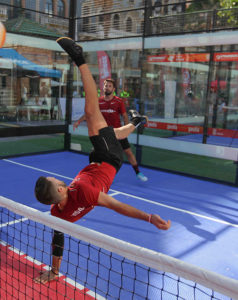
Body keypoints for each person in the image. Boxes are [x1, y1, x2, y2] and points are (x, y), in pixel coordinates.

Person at [34, 37, 171, 284]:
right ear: (61, 189)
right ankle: (79, 57)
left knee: (114, 133)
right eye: (54, 180)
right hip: (108, 159)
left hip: (99, 160)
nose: (55, 177)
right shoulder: (84, 191)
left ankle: (137, 122)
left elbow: (58, 241)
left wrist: (54, 272)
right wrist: (149, 218)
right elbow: (116, 206)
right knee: (91, 112)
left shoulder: (57, 213)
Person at [74, 78, 148, 182]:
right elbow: (89, 113)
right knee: (96, 154)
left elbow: (124, 115)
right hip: (104, 133)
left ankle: (138, 172)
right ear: (103, 87)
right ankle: (93, 174)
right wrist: (78, 121)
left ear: (113, 89)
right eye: (105, 86)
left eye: (109, 86)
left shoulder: (118, 101)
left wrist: (127, 128)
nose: (107, 87)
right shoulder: (98, 101)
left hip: (118, 132)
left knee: (128, 153)